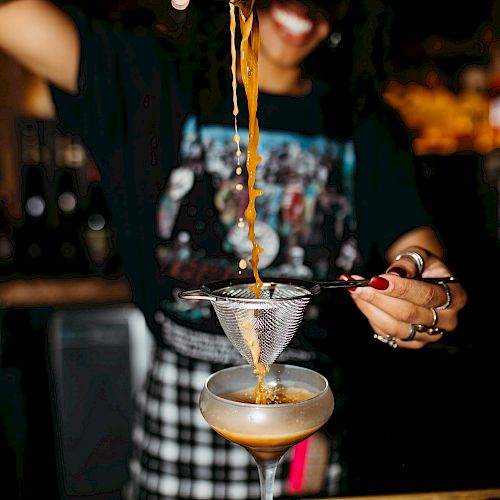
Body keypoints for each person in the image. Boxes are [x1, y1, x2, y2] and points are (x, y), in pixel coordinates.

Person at [0, 0, 468, 498]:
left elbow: (416, 245)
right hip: (182, 423)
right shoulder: (151, 79)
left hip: (307, 427)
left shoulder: (365, 122)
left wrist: (420, 287)